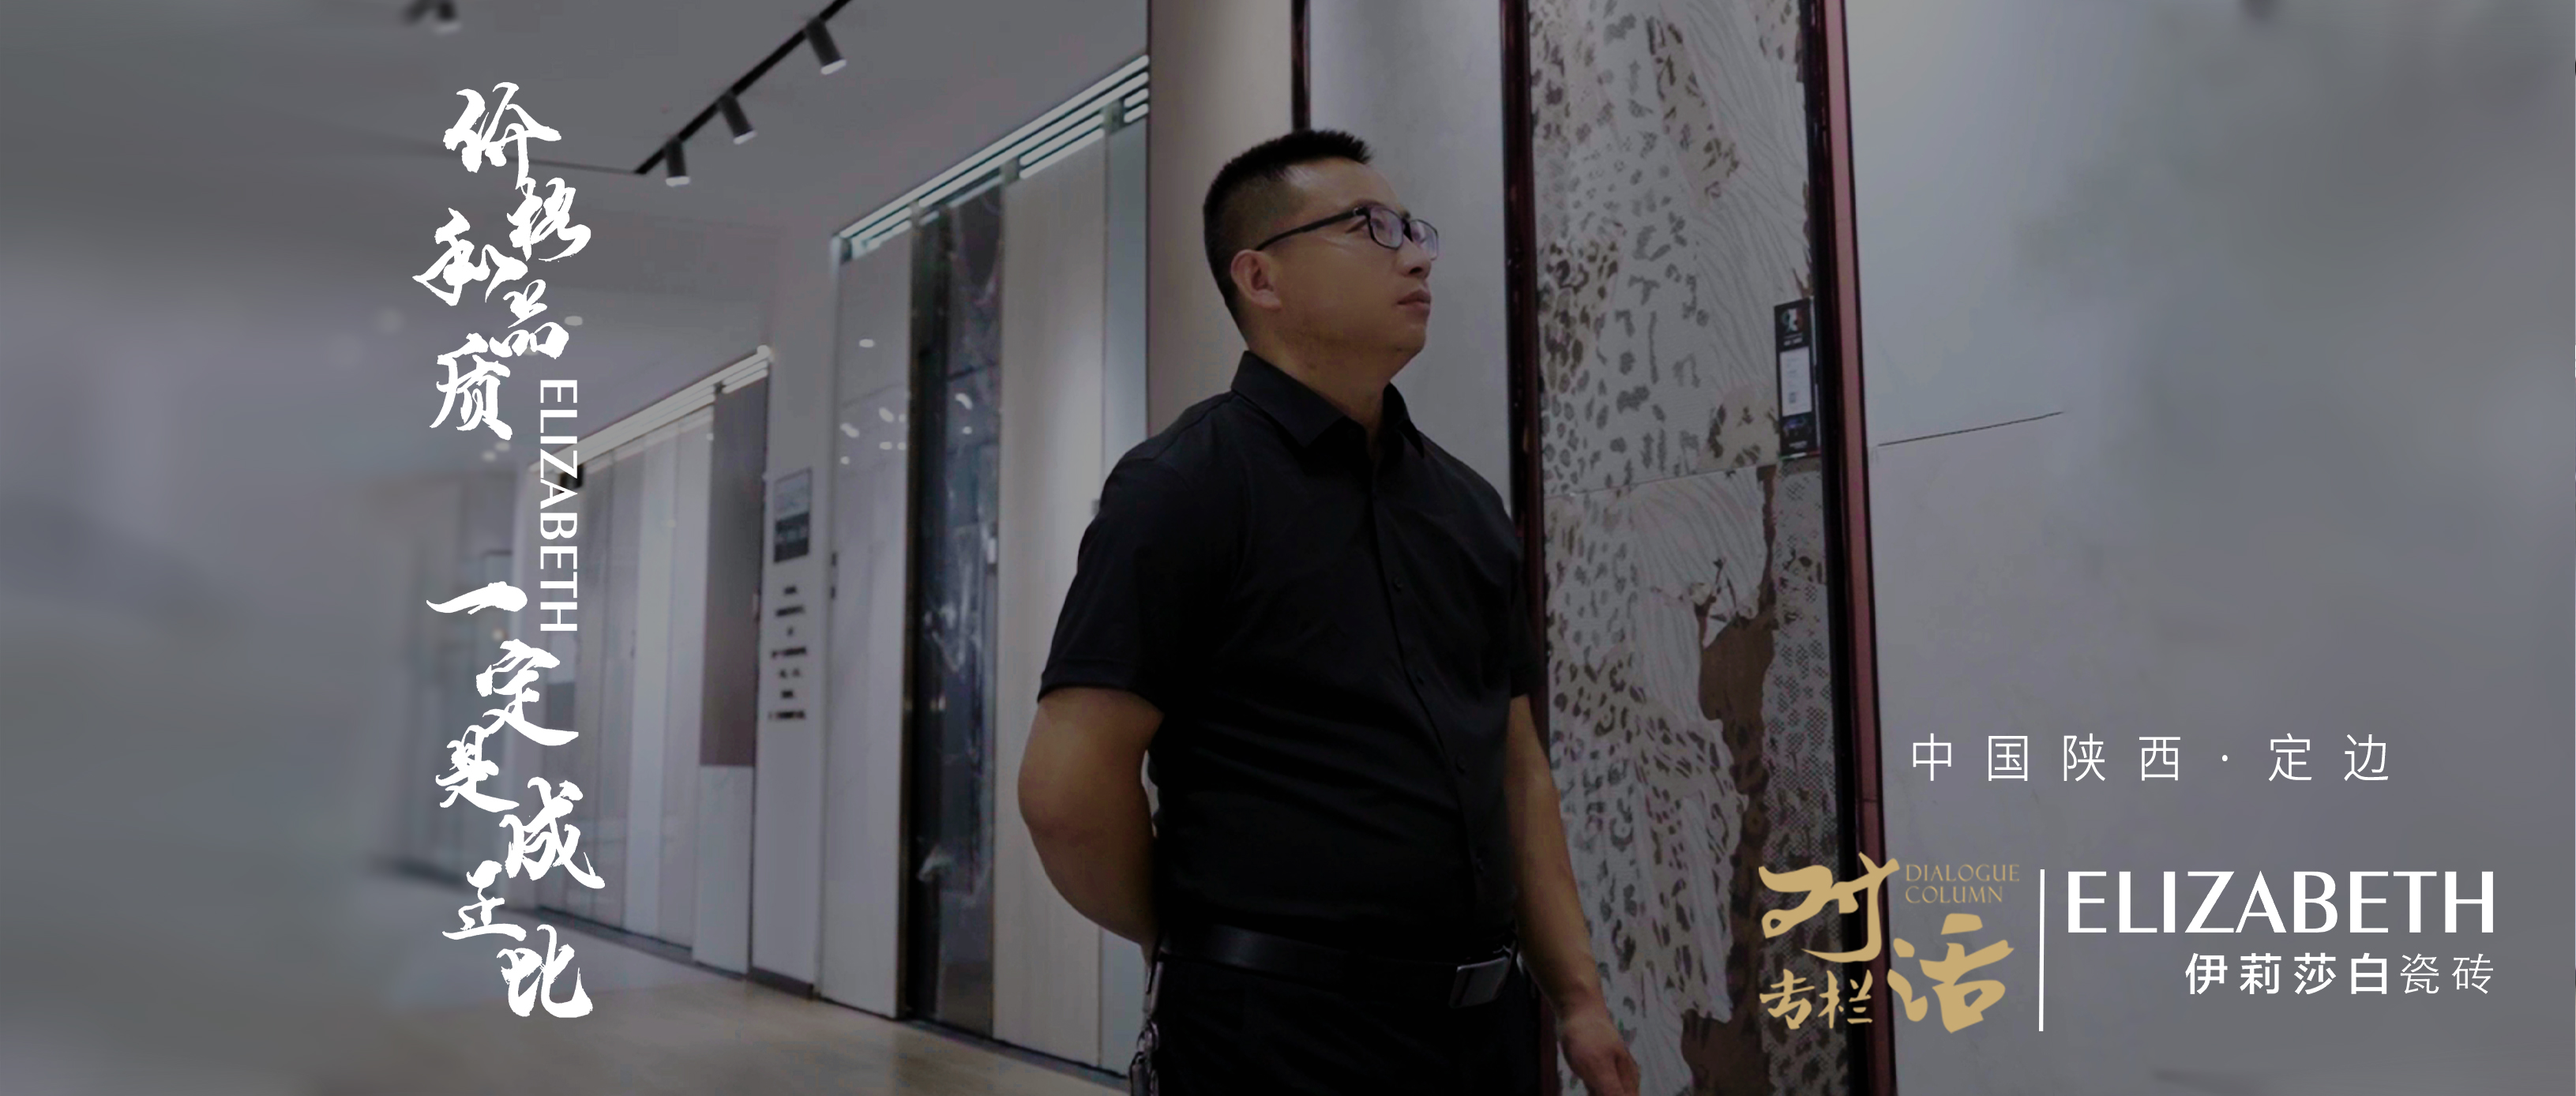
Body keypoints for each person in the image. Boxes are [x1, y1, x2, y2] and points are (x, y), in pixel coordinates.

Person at [1018, 129, 1642, 1096]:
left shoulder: (1467, 506)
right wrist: (1191, 939)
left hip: (1483, 1033)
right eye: (1370, 227)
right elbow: (1067, 794)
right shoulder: (1182, 487)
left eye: (1413, 230)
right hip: (1273, 1037)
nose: (1416, 255)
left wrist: (1579, 999)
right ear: (1259, 277)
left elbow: (1517, 771)